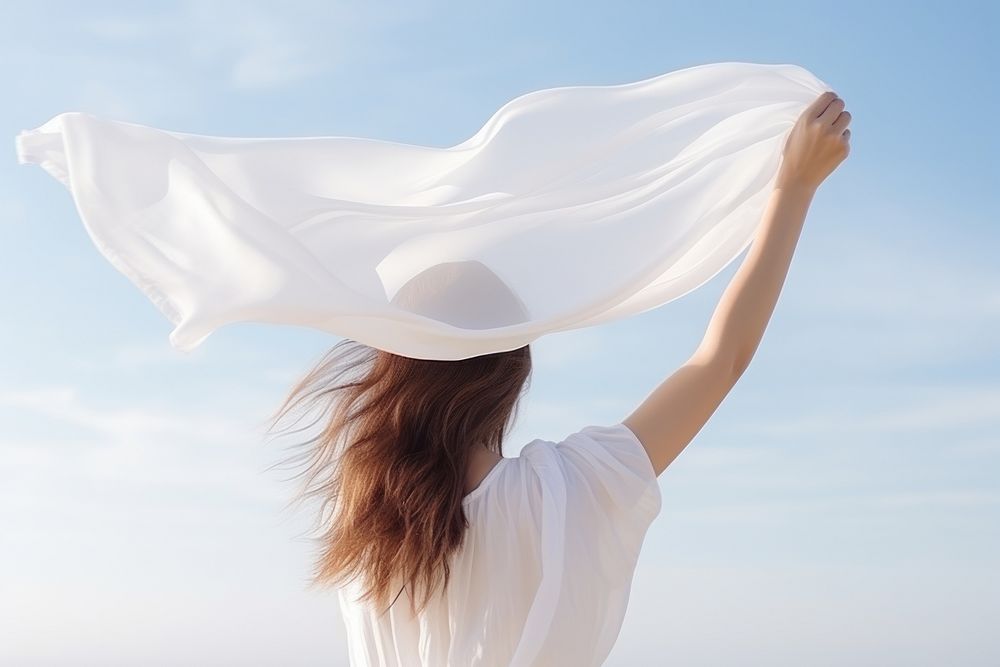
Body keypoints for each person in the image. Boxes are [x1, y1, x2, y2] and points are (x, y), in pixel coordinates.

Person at [265, 90, 852, 666]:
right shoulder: (566, 490)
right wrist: (792, 188)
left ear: (399, 366)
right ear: (512, 371)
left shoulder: (366, 523)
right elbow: (719, 360)